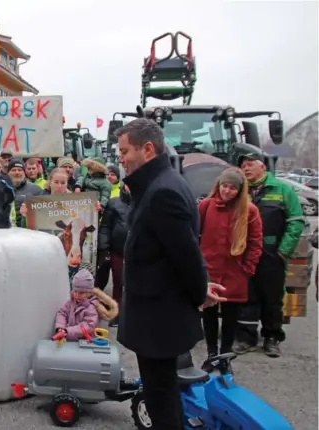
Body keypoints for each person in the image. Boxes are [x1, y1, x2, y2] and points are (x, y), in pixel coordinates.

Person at [115, 118, 224, 430]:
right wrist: (200, 287)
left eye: (125, 151)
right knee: (163, 396)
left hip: (158, 320)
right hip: (156, 316)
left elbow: (186, 255)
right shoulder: (157, 184)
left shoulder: (163, 192)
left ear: (147, 149)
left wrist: (199, 290)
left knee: (161, 401)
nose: (120, 158)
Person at [234, 153, 304, 357]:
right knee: (247, 296)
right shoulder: (241, 190)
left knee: (272, 297)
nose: (246, 169)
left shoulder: (283, 190)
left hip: (272, 253)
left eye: (250, 165)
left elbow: (296, 221)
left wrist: (283, 251)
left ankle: (272, 337)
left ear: (262, 167)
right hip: (246, 253)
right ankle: (246, 337)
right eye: (243, 166)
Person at [199, 168, 263, 367]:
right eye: (224, 186)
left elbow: (255, 242)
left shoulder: (249, 211)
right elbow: (193, 235)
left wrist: (247, 269)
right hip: (209, 269)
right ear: (218, 185)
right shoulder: (206, 206)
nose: (227, 191)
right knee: (208, 314)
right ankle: (211, 354)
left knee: (230, 317)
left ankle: (225, 356)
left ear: (240, 190)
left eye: (232, 188)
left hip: (235, 272)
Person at [95, 183, 131, 326]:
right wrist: (104, 249)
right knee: (118, 282)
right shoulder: (114, 202)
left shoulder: (145, 201)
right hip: (118, 249)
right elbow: (105, 227)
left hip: (138, 251)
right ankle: (117, 314)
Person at [54, 269, 101, 341]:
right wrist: (61, 327)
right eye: (75, 291)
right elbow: (62, 313)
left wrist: (68, 331)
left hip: (85, 342)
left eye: (81, 293)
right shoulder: (71, 302)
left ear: (89, 293)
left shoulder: (91, 307)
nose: (77, 295)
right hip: (69, 338)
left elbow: (88, 326)